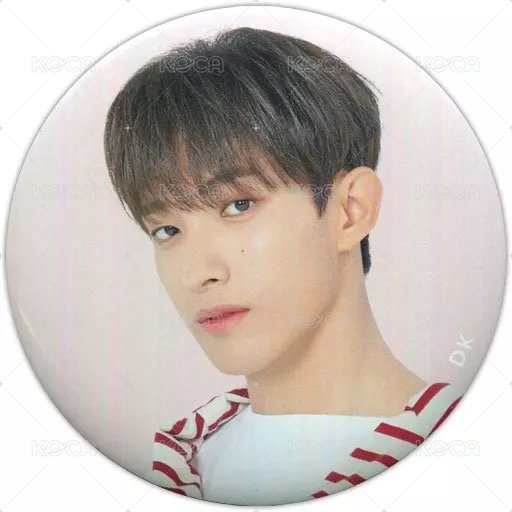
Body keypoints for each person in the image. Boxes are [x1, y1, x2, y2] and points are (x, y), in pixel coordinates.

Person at [103, 26, 465, 505]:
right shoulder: (173, 461)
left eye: (238, 205)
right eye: (167, 230)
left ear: (349, 210)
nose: (195, 274)